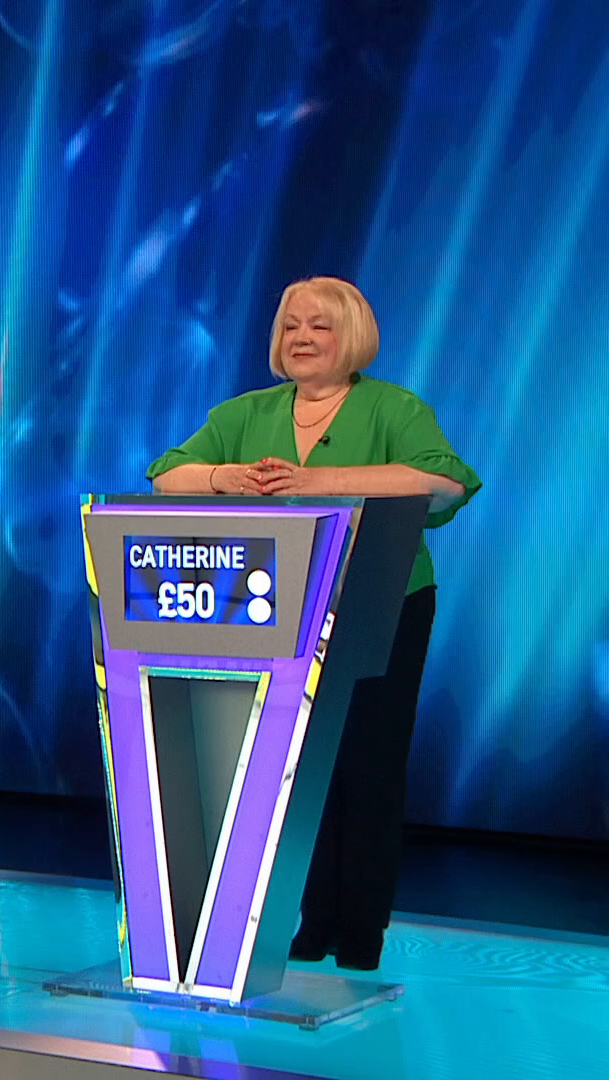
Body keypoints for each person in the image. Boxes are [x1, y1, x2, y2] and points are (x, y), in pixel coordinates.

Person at [147, 276, 480, 970]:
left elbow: (445, 483)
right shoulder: (246, 413)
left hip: (379, 602)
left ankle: (361, 931)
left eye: (319, 326)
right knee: (298, 770)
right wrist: (225, 479)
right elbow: (166, 475)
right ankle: (314, 920)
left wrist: (318, 481)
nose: (301, 337)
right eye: (291, 325)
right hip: (280, 610)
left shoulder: (392, 408)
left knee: (368, 766)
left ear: (350, 336)